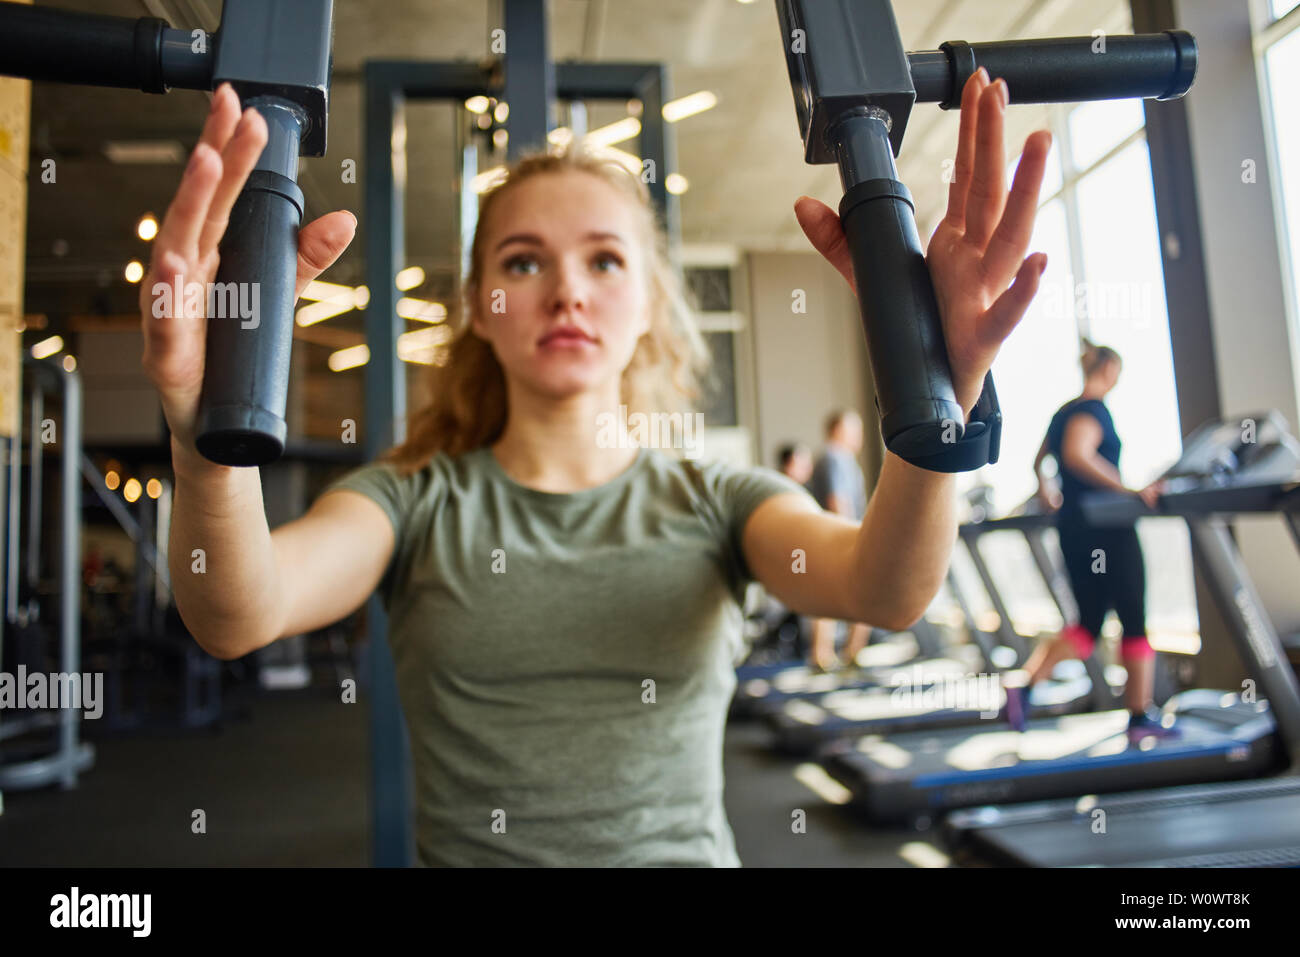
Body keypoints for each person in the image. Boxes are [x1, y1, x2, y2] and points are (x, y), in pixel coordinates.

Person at [143, 69, 1051, 866]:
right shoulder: (413, 501)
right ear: (481, 306)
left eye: (605, 260)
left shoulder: (719, 500)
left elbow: (885, 589)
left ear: (651, 302)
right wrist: (205, 438)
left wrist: (941, 400)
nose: (567, 289)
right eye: (524, 260)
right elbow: (238, 612)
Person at [1009, 340, 1172, 741]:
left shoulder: (1062, 412)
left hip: (1075, 529)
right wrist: (1129, 490)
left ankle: (1025, 685)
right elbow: (1078, 455)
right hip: (1106, 529)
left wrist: (1046, 488)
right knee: (1133, 616)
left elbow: (1041, 462)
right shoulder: (1093, 410)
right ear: (1109, 370)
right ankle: (1138, 717)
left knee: (1088, 625)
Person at [806, 411, 873, 670]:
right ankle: (836, 655)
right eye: (853, 430)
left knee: (831, 597)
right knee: (845, 595)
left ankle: (833, 655)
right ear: (837, 430)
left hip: (833, 534)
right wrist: (852, 537)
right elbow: (837, 500)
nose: (859, 436)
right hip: (837, 535)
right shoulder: (834, 457)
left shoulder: (843, 459)